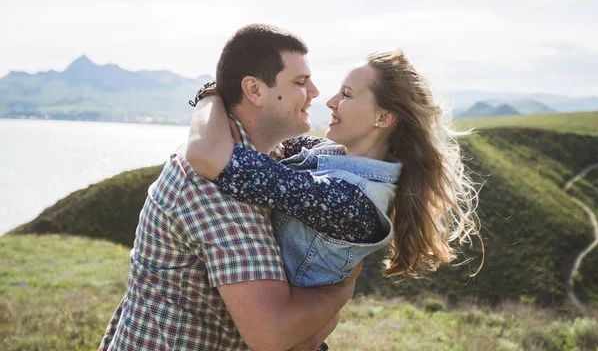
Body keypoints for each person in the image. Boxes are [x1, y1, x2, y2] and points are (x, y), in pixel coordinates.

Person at [98, 24, 362, 351]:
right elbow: (272, 334)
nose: (316, 92)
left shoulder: (271, 155)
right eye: (300, 82)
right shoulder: (215, 185)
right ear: (253, 89)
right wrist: (341, 289)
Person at [186, 49, 480, 298]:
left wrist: (209, 95)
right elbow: (265, 137)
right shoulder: (331, 153)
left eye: (346, 95)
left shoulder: (350, 202)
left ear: (383, 117)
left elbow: (213, 158)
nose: (330, 101)